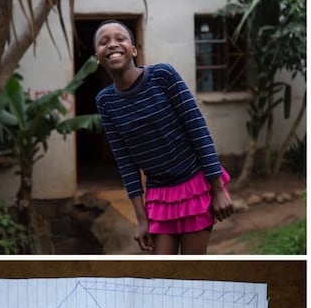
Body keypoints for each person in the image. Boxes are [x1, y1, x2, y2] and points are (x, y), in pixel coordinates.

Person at [93, 20, 234, 255]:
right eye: (103, 42)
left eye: (120, 39)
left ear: (134, 49)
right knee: (162, 272)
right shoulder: (105, 101)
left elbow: (197, 129)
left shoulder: (162, 76)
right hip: (158, 195)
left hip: (194, 184)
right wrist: (141, 219)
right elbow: (125, 161)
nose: (112, 44)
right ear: (97, 57)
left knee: (191, 272)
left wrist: (218, 189)